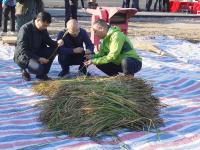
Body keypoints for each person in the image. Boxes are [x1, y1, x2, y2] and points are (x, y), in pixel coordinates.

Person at [14, 11, 64, 81]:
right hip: (24, 56)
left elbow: (48, 41)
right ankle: (24, 70)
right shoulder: (25, 29)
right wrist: (38, 58)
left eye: (46, 26)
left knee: (54, 49)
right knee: (39, 68)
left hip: (37, 51)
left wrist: (57, 43)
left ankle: (42, 75)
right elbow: (23, 50)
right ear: (38, 20)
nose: (45, 27)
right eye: (44, 25)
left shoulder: (43, 28)